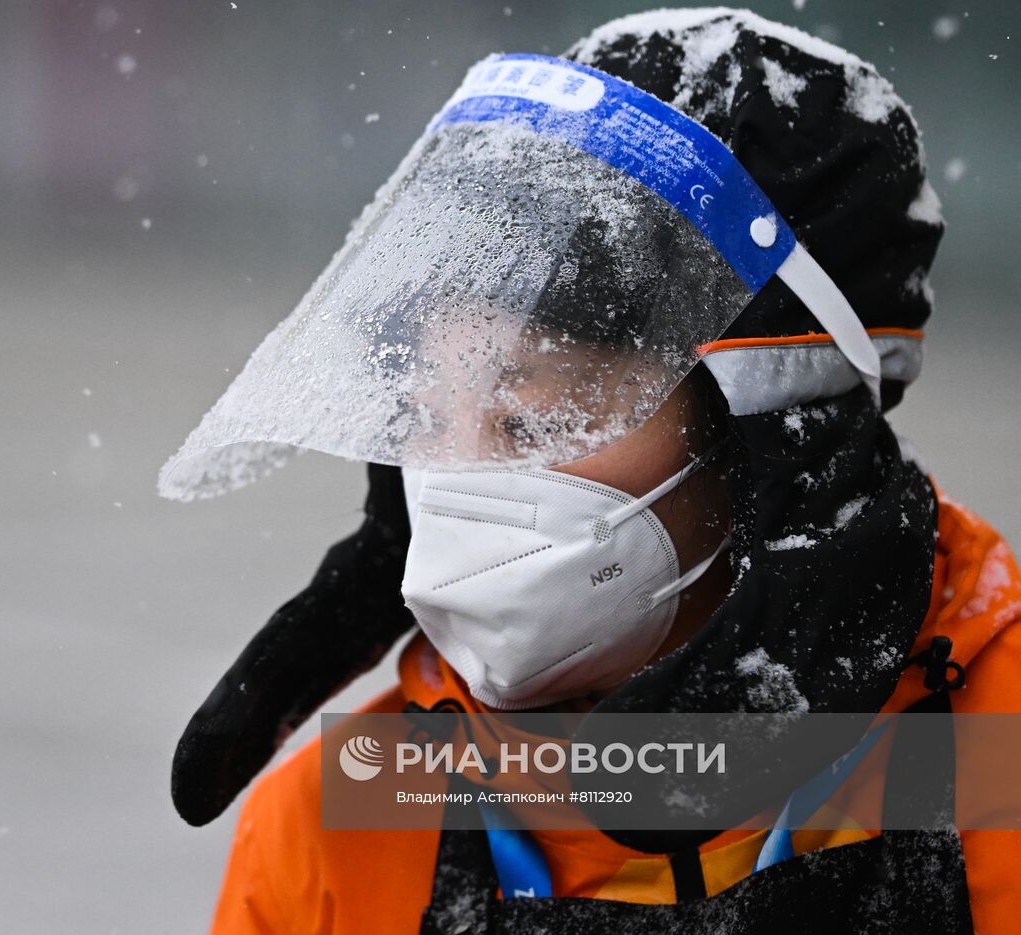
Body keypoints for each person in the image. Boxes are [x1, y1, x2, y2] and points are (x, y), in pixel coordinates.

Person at [159, 9, 1021, 933]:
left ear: (777, 442)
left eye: (535, 417)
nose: (457, 479)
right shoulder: (341, 817)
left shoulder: (998, 760)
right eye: (428, 414)